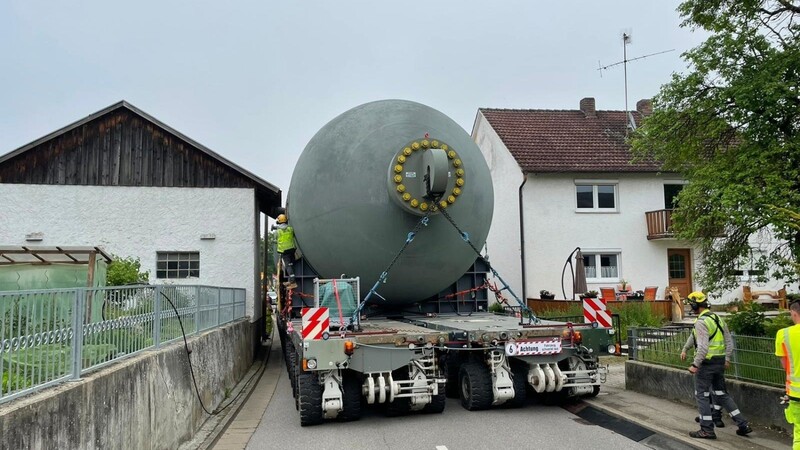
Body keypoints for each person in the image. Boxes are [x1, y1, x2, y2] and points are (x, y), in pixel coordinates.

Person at [686, 291, 752, 439]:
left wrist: (695, 364)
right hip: (720, 362)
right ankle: (743, 425)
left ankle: (707, 430)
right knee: (722, 394)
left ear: (695, 305)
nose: (691, 307)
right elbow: (729, 342)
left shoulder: (701, 322)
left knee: (702, 395)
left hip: (706, 364)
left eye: (691, 305)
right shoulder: (718, 318)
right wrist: (726, 358)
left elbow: (702, 347)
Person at [681, 332, 724, 428]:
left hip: (706, 363)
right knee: (710, 392)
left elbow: (700, 344)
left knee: (710, 392)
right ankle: (710, 416)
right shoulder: (712, 322)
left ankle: (715, 417)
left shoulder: (704, 322)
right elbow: (693, 336)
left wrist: (695, 364)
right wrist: (685, 349)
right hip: (716, 362)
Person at [775, 299, 800, 449]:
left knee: (799, 433)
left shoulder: (783, 334)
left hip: (796, 392)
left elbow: (785, 365)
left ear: (794, 313)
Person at [273, 214, 297, 290]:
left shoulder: (278, 231)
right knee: (291, 265)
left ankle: (293, 283)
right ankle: (290, 281)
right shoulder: (290, 229)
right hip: (292, 250)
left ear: (278, 222)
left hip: (284, 251)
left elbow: (275, 240)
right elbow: (292, 235)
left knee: (288, 266)